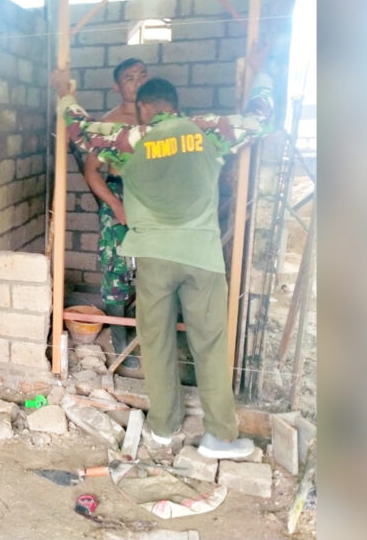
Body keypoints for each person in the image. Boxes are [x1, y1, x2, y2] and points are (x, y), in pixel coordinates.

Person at [51, 59, 273, 459]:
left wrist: (65, 92)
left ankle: (162, 430)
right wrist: (263, 76)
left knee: (156, 342)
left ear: (145, 108)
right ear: (175, 104)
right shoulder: (208, 131)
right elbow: (261, 116)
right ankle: (220, 436)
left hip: (153, 257)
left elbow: (77, 129)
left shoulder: (131, 139)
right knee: (209, 343)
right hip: (202, 256)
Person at [82, 58, 148, 366]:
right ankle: (122, 343)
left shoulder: (159, 118)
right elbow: (92, 172)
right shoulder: (108, 123)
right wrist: (116, 205)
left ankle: (149, 338)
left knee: (156, 271)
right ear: (117, 87)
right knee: (116, 269)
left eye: (142, 75)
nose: (137, 82)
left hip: (152, 195)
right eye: (130, 78)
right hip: (118, 192)